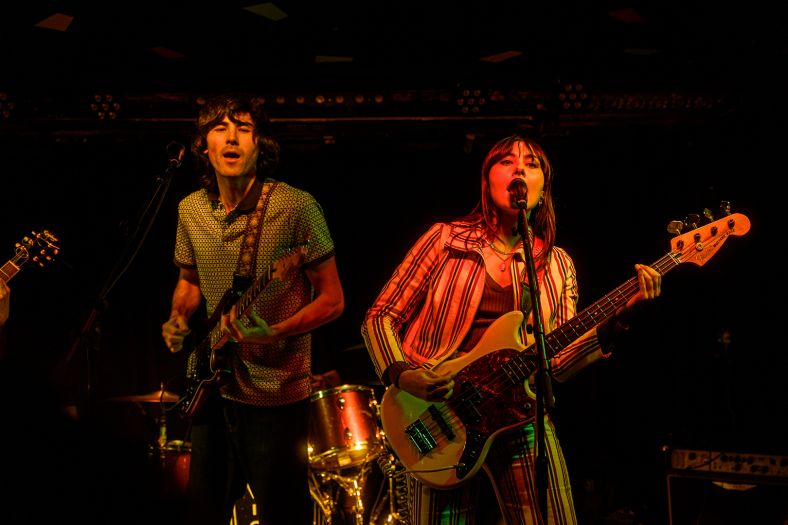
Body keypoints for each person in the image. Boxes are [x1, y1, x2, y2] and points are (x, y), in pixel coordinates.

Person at [361, 134, 662, 524]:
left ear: (543, 187)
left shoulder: (557, 265)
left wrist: (618, 319)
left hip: (521, 417)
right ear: (487, 181)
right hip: (434, 414)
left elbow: (558, 363)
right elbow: (379, 316)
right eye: (506, 160)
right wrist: (405, 376)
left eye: (532, 163)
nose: (519, 167)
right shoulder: (445, 240)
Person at [161, 93, 345, 525]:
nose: (232, 137)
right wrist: (178, 317)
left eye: (244, 129)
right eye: (220, 128)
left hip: (277, 395)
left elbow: (334, 300)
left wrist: (276, 331)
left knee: (283, 514)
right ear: (203, 145)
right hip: (213, 389)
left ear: (260, 144)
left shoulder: (296, 207)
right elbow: (188, 281)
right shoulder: (190, 209)